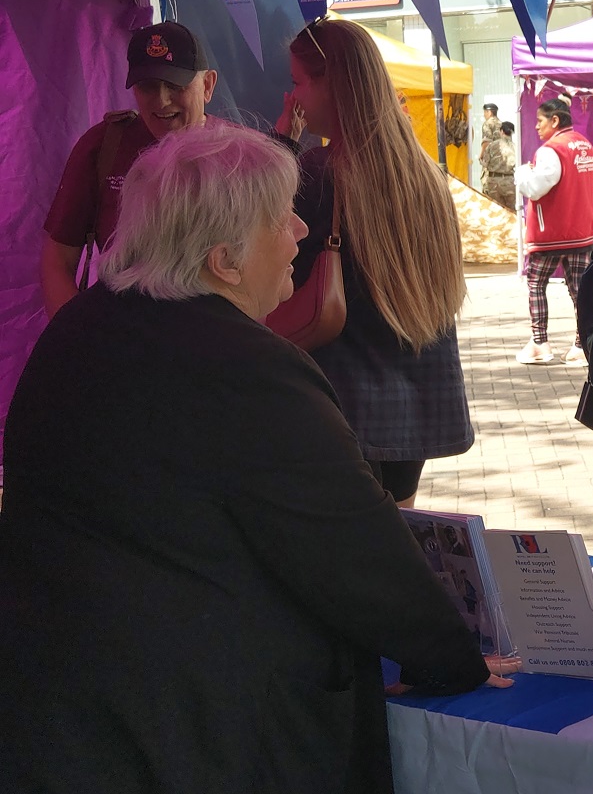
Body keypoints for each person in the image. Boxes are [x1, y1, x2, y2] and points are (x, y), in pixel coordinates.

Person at [0, 123, 517, 794]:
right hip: (195, 729)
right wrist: (452, 657)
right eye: (283, 219)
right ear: (224, 260)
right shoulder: (249, 369)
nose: (301, 232)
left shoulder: (79, 328)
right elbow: (351, 546)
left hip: (59, 704)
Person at [288, 17, 474, 506]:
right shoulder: (425, 173)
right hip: (415, 407)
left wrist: (282, 141)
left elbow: (273, 268)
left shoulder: (318, 173)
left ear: (331, 82)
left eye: (299, 82)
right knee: (399, 539)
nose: (296, 99)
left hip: (340, 405)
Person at [40, 21, 219, 318]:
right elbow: (57, 257)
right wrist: (75, 337)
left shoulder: (237, 153)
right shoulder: (105, 145)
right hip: (123, 339)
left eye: (175, 84)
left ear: (208, 85)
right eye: (148, 86)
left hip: (214, 340)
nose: (161, 100)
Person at [514, 98, 593, 365]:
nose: (537, 127)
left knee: (536, 284)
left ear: (554, 121)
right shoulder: (584, 145)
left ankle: (540, 342)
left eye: (540, 121)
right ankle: (582, 343)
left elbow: (537, 187)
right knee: (579, 290)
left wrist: (522, 174)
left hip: (551, 234)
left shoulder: (552, 149)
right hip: (581, 231)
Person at [481, 120, 517, 210]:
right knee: (512, 212)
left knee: (496, 210)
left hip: (494, 182)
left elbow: (485, 162)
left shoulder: (492, 145)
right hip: (510, 181)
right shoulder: (516, 147)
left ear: (501, 131)